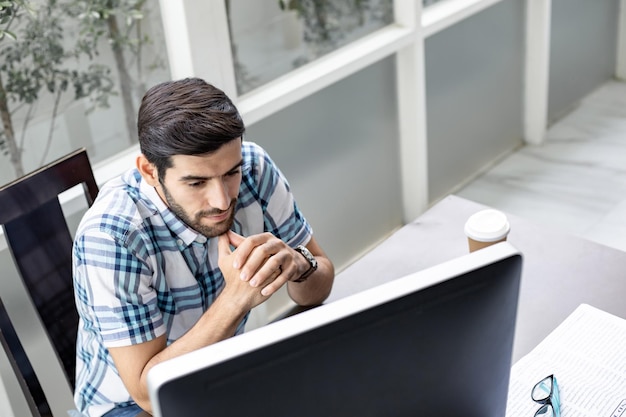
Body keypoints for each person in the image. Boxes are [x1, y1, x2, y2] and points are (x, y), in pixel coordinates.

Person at [72, 77, 335, 417]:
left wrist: (300, 266)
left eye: (230, 173)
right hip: (129, 409)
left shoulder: (254, 168)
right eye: (196, 182)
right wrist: (237, 297)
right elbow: (150, 394)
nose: (222, 200)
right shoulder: (112, 236)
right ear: (150, 171)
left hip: (222, 371)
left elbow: (319, 287)